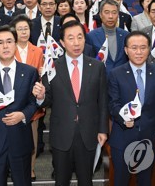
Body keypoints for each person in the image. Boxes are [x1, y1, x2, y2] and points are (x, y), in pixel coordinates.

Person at [32, 20, 108, 186]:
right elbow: (46, 100)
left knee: (86, 180)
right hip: (61, 134)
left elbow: (102, 101)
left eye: (80, 37)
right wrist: (40, 96)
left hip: (88, 133)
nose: (76, 42)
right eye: (71, 38)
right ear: (62, 42)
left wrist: (103, 129)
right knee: (61, 180)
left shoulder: (97, 66)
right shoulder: (52, 67)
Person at [0, 25, 38, 185]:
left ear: (15, 44)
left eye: (9, 41)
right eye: (0, 43)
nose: (5, 46)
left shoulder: (30, 71)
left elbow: (33, 103)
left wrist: (23, 115)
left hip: (20, 139)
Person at [108, 31, 155, 186]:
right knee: (121, 181)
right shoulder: (116, 74)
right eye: (134, 48)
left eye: (143, 47)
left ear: (149, 49)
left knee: (145, 181)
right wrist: (123, 119)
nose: (139, 52)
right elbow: (113, 104)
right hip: (122, 137)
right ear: (126, 50)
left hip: (149, 137)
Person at [10, 15, 44, 181]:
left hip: (31, 102)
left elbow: (41, 76)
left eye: (26, 29)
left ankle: (30, 169)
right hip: (11, 101)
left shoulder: (38, 51)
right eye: (20, 29)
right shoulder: (9, 48)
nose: (23, 32)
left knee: (32, 138)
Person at [87, 0, 129, 74]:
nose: (110, 16)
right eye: (107, 12)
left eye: (114, 13)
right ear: (100, 14)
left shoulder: (126, 35)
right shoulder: (91, 36)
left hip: (122, 79)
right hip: (101, 79)